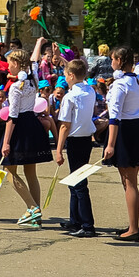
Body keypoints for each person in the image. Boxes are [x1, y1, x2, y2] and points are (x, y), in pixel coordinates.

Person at [102, 47, 139, 242]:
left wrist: (110, 145)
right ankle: (132, 224)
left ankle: (134, 228)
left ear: (118, 60)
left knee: (130, 181)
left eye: (112, 59)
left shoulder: (120, 85)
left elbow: (114, 118)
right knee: (128, 180)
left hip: (125, 132)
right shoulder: (137, 78)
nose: (111, 63)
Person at [2, 49, 52, 228]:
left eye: (9, 63)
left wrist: (6, 141)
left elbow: (12, 116)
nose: (8, 66)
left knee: (9, 170)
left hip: (19, 128)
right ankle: (36, 215)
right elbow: (35, 62)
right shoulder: (34, 81)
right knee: (31, 173)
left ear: (16, 64)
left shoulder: (16, 87)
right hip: (32, 124)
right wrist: (38, 44)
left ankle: (33, 208)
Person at [54, 59, 97, 237]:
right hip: (86, 139)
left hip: (75, 139)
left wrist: (58, 150)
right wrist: (64, 61)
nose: (65, 78)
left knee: (79, 183)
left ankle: (87, 225)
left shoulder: (70, 96)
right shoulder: (89, 89)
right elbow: (77, 69)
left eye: (66, 75)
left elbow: (64, 125)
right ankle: (75, 220)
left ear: (71, 76)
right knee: (74, 181)